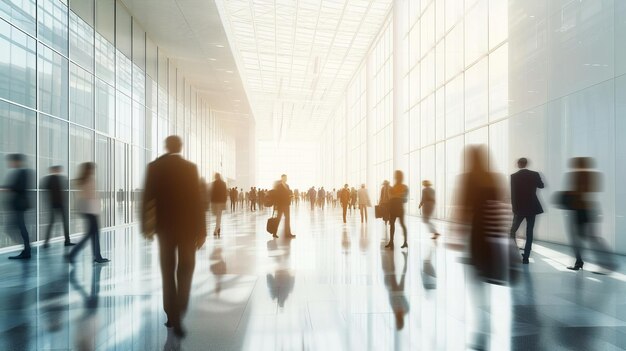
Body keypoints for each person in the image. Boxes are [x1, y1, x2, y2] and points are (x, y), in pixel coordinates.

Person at [142, 136, 206, 337]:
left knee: (167, 271)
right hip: (187, 229)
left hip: (165, 229)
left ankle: (171, 314)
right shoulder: (190, 168)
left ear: (166, 147)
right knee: (186, 267)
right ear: (180, 147)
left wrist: (147, 227)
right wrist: (202, 230)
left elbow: (147, 198)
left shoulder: (154, 167)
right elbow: (197, 201)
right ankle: (180, 309)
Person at [563, 157, 615, 271]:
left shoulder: (576, 175)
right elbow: (593, 190)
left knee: (576, 238)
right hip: (590, 208)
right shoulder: (594, 175)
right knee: (591, 238)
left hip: (578, 210)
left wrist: (569, 194)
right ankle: (606, 263)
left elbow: (576, 192)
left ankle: (580, 262)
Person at [66, 162, 109, 264]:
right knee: (91, 234)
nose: (94, 171)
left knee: (93, 234)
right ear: (89, 170)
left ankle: (96, 256)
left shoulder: (83, 180)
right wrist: (97, 209)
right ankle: (74, 254)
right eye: (93, 169)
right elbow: (91, 196)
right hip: (91, 209)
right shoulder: (89, 180)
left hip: (86, 208)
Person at [509, 158, 544, 264]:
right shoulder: (534, 174)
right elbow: (541, 186)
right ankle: (526, 258)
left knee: (512, 231)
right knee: (529, 232)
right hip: (532, 207)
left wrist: (514, 208)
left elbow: (513, 194)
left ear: (519, 164)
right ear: (526, 164)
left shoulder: (514, 176)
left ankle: (514, 253)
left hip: (519, 208)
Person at [2, 154, 33, 259]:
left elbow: (19, 187)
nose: (10, 164)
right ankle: (27, 248)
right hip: (19, 205)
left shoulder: (23, 172)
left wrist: (6, 188)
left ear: (17, 161)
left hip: (19, 205)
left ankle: (27, 248)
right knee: (18, 227)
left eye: (12, 161)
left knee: (15, 227)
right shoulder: (21, 172)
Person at [41, 166, 74, 247]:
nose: (58, 171)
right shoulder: (49, 179)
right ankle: (46, 242)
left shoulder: (62, 178)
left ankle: (67, 241)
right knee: (52, 223)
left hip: (61, 204)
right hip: (54, 204)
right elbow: (44, 189)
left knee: (64, 223)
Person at [386, 171, 409, 249]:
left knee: (401, 224)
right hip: (394, 207)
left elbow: (405, 198)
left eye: (397, 176)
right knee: (393, 225)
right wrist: (398, 196)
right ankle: (392, 242)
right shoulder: (396, 187)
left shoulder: (401, 187)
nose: (396, 178)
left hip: (398, 207)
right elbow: (391, 197)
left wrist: (395, 196)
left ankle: (404, 242)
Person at [273, 175, 295, 239]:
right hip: (280, 205)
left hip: (286, 205)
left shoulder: (287, 186)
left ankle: (288, 233)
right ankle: (274, 233)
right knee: (278, 219)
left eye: (286, 178)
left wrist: (290, 196)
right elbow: (277, 196)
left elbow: (287, 194)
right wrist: (276, 206)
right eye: (284, 178)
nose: (286, 179)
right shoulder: (278, 186)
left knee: (287, 219)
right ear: (282, 178)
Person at [210, 173, 227, 237]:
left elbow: (212, 193)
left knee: (217, 216)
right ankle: (218, 228)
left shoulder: (214, 183)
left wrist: (211, 201)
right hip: (221, 202)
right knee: (218, 216)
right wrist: (224, 202)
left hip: (215, 202)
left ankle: (216, 230)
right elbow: (225, 193)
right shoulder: (223, 183)